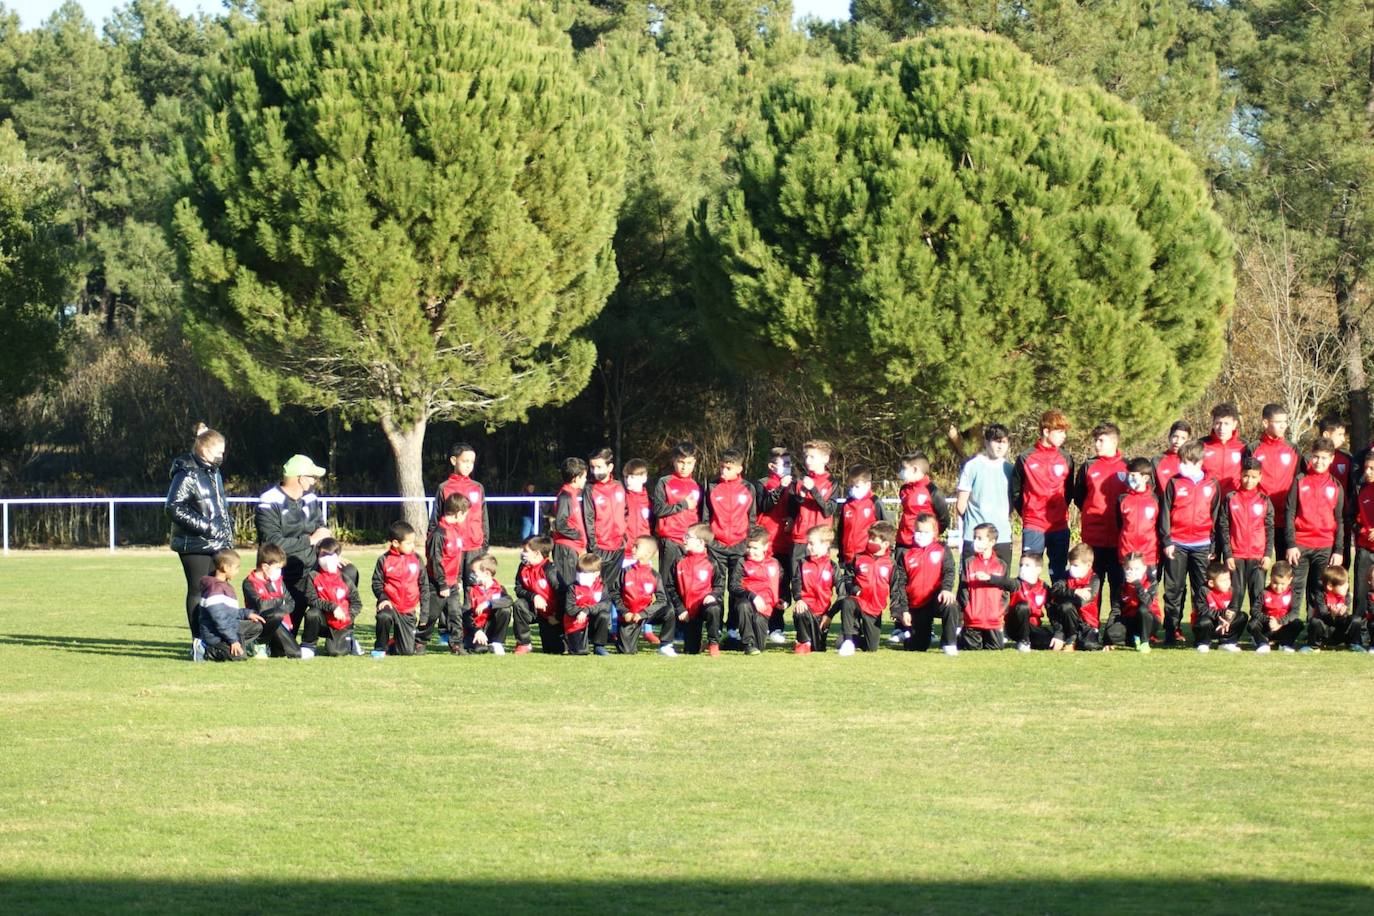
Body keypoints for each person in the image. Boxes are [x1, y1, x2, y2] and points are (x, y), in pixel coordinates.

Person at [166, 424, 232, 655]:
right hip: (194, 543)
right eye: (218, 451)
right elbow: (174, 507)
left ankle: (216, 637)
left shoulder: (213, 472)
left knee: (219, 589)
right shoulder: (187, 472)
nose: (221, 456)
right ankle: (198, 642)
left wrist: (224, 533)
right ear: (204, 448)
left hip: (216, 542)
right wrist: (206, 527)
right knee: (197, 590)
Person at [255, 454, 330, 630]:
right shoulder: (269, 500)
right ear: (300, 478)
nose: (314, 481)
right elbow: (271, 543)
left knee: (348, 572)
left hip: (310, 569)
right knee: (284, 642)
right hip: (283, 573)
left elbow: (322, 530)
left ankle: (338, 638)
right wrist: (310, 540)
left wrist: (330, 553)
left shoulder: (311, 499)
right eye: (312, 477)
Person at [1160, 440, 1220, 646]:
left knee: (1201, 590)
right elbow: (1165, 513)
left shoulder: (1212, 484)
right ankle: (1171, 632)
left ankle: (1201, 633)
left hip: (1202, 545)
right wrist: (1167, 540)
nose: (1182, 465)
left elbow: (1216, 515)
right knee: (1174, 590)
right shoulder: (1174, 483)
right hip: (1177, 544)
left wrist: (1213, 544)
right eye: (1181, 461)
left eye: (1187, 462)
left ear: (1199, 462)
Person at [1010, 409, 1074, 582]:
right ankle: (1029, 609)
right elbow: (1015, 491)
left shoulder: (1066, 458)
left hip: (1059, 525)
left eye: (1065, 431)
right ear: (1046, 431)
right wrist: (1029, 511)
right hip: (1034, 524)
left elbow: (1068, 492)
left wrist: (1059, 510)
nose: (1064, 436)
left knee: (1059, 574)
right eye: (1060, 431)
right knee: (1028, 573)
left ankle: (1056, 609)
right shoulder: (1025, 458)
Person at [1285, 437, 1344, 621]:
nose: (1319, 462)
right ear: (1311, 456)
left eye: (1324, 458)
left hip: (1325, 545)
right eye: (1316, 457)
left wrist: (1339, 550)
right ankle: (1290, 629)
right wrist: (1291, 544)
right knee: (1295, 588)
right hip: (1301, 545)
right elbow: (1290, 512)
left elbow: (1340, 519)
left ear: (1332, 459)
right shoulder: (1299, 481)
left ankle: (1314, 630)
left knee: (1319, 589)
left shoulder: (1336, 486)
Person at [1073, 422, 1127, 609]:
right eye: (1095, 440)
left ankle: (1116, 628)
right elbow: (1079, 498)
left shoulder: (1127, 468)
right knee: (1093, 585)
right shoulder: (1088, 466)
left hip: (1119, 539)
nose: (1097, 444)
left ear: (1114, 441)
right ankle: (1091, 627)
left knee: (1118, 586)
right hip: (1093, 538)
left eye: (1101, 440)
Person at [703, 448, 756, 641]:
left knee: (735, 588)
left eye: (728, 467)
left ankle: (733, 628)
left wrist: (747, 542)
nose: (723, 471)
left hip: (739, 545)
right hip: (716, 546)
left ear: (739, 468)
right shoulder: (711, 486)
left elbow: (752, 518)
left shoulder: (749, 488)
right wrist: (709, 541)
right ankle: (715, 628)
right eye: (722, 467)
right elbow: (706, 517)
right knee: (716, 586)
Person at [1217, 457, 1273, 625]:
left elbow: (1270, 529)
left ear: (1260, 477)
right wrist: (1228, 554)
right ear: (1240, 475)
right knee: (1236, 595)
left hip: (1258, 557)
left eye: (1254, 477)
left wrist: (1268, 554)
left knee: (1258, 596)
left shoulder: (1264, 500)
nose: (1249, 480)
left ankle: (1259, 634)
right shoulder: (1230, 498)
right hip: (1236, 556)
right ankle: (1230, 635)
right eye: (1246, 476)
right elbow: (1224, 527)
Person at [893, 512, 957, 652]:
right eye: (918, 531)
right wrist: (903, 610)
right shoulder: (905, 553)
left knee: (951, 605)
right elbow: (900, 584)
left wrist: (946, 589)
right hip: (917, 605)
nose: (921, 535)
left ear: (934, 532)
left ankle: (949, 643)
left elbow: (949, 572)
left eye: (926, 532)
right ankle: (910, 636)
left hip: (936, 599)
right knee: (918, 646)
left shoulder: (942, 549)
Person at [955, 424, 1013, 571]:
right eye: (996, 441)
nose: (1000, 446)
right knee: (968, 583)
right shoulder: (972, 466)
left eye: (1004, 442)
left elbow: (1012, 504)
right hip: (974, 536)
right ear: (986, 442)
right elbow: (961, 504)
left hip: (1002, 536)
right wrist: (974, 526)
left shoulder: (1011, 469)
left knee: (1001, 585)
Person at [429, 442, 489, 584]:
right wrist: (432, 547)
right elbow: (435, 520)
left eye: (472, 462)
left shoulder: (477, 487)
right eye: (465, 461)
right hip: (451, 547)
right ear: (454, 461)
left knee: (474, 588)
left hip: (474, 546)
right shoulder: (444, 488)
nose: (469, 465)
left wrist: (484, 545)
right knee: (451, 590)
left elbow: (484, 518)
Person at [836, 521, 897, 656]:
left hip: (875, 607)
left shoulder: (891, 563)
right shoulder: (859, 557)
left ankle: (856, 640)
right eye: (869, 538)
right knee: (848, 603)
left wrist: (896, 609)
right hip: (859, 600)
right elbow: (847, 578)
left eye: (873, 539)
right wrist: (855, 589)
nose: (869, 541)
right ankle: (847, 640)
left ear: (886, 544)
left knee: (872, 648)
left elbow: (896, 587)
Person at [372, 521, 431, 657]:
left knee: (406, 652)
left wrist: (424, 614)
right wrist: (383, 599)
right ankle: (380, 647)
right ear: (395, 543)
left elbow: (424, 587)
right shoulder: (384, 560)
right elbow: (376, 583)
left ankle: (393, 644)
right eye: (409, 543)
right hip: (390, 605)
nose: (413, 546)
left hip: (408, 610)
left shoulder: (417, 560)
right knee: (384, 616)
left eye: (413, 543)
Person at [955, 523, 1017, 652]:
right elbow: (963, 590)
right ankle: (961, 636)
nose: (975, 541)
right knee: (971, 649)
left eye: (980, 538)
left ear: (991, 542)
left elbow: (1005, 592)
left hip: (993, 620)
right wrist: (968, 610)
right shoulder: (969, 562)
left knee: (995, 649)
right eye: (974, 538)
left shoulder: (1001, 565)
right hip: (973, 619)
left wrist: (999, 612)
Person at [754, 447, 795, 644]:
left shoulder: (793, 485)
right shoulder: (762, 484)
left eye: (789, 463)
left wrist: (792, 518)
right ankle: (760, 625)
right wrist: (780, 488)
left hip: (785, 543)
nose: (788, 467)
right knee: (764, 585)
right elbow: (765, 505)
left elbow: (796, 509)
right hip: (766, 544)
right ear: (771, 465)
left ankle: (777, 627)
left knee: (782, 586)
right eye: (784, 463)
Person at [196, 549, 265, 662]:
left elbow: (229, 612)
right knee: (239, 657)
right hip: (216, 637)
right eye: (236, 567)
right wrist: (233, 640)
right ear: (225, 567)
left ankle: (238, 646)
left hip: (227, 630)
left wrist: (247, 614)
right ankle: (206, 650)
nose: (238, 571)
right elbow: (220, 620)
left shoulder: (224, 585)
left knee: (257, 626)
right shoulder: (215, 589)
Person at [1249, 404, 1299, 555]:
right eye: (1278, 422)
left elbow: (1298, 480)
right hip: (1261, 517)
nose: (1283, 425)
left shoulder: (1293, 449)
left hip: (1286, 517)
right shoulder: (1253, 448)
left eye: (1285, 421)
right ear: (1265, 423)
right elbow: (1247, 481)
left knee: (1285, 567)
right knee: (1259, 564)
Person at [667, 523, 724, 656]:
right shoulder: (678, 561)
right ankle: (697, 644)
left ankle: (713, 643)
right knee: (691, 651)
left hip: (704, 606)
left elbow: (719, 585)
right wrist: (680, 608)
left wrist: (713, 595)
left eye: (688, 537)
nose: (683, 539)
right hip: (687, 611)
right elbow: (670, 587)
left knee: (714, 609)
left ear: (700, 542)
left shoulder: (712, 562)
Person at [614, 535, 677, 656]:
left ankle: (665, 645)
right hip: (629, 617)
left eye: (636, 547)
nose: (632, 549)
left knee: (669, 610)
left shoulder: (655, 575)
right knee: (626, 652)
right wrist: (624, 612)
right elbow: (614, 593)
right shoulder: (625, 571)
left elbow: (662, 600)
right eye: (633, 546)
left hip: (645, 614)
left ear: (648, 553)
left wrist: (643, 614)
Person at [425, 492, 472, 651]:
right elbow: (435, 561)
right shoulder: (439, 534)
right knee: (431, 615)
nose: (465, 518)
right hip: (437, 584)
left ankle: (457, 644)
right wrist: (442, 584)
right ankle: (419, 641)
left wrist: (457, 579)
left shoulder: (456, 531)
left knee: (455, 614)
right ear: (459, 513)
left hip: (452, 583)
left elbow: (457, 558)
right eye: (465, 514)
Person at [787, 440, 840, 578]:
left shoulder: (832, 483)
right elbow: (793, 509)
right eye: (806, 456)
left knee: (818, 582)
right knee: (797, 581)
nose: (807, 460)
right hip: (800, 538)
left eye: (812, 457)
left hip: (820, 540)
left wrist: (813, 490)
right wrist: (801, 497)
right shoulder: (800, 482)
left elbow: (828, 510)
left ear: (825, 459)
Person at [729, 527, 783, 656]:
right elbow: (734, 586)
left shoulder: (774, 564)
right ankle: (747, 644)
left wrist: (783, 600)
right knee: (743, 605)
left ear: (765, 547)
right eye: (748, 547)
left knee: (759, 646)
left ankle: (731, 643)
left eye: (755, 548)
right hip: (747, 604)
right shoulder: (742, 562)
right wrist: (752, 596)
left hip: (765, 609)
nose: (750, 551)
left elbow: (782, 585)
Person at [652, 442, 702, 580]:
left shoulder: (697, 486)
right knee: (666, 583)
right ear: (674, 461)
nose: (685, 467)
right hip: (670, 541)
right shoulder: (664, 482)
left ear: (694, 463)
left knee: (686, 583)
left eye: (689, 463)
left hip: (689, 542)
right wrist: (683, 504)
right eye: (681, 462)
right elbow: (658, 509)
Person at [303, 538, 361, 658]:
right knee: (312, 614)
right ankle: (308, 645)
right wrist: (332, 607)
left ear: (338, 556)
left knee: (335, 652)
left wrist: (349, 617)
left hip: (340, 621)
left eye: (331, 554)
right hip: (322, 619)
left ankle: (349, 641)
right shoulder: (313, 576)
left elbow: (356, 602)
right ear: (318, 557)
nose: (327, 558)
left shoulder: (345, 578)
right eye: (323, 555)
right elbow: (311, 600)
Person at [242, 543, 301, 658]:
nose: (280, 572)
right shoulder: (249, 583)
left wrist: (278, 604)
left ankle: (273, 648)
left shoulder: (277, 580)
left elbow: (291, 603)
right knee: (276, 615)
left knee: (286, 653)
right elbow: (261, 606)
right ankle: (258, 644)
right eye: (278, 568)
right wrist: (280, 601)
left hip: (280, 625)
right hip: (260, 626)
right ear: (265, 567)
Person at [790, 525, 839, 654]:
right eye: (808, 543)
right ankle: (803, 641)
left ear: (825, 544)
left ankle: (812, 641)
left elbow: (842, 593)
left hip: (822, 616)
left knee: (818, 650)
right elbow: (796, 583)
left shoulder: (832, 567)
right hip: (806, 611)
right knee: (799, 611)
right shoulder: (802, 564)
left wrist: (830, 614)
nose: (808, 547)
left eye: (811, 544)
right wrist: (799, 599)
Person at [584, 448, 628, 592]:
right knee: (598, 590)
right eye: (592, 467)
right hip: (600, 547)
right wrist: (593, 546)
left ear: (610, 467)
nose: (595, 470)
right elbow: (588, 519)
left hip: (619, 547)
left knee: (616, 590)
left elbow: (626, 512)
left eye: (599, 467)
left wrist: (625, 538)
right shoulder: (590, 489)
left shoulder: (620, 486)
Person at [512, 535, 563, 655]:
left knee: (554, 650)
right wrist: (533, 596)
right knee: (519, 605)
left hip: (552, 616)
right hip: (534, 610)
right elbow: (518, 589)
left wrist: (557, 617)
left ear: (537, 553)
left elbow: (563, 596)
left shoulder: (551, 571)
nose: (522, 553)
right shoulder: (523, 567)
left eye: (525, 551)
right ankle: (523, 643)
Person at [1050, 543, 1102, 651]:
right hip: (1069, 621)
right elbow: (1055, 590)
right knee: (1066, 607)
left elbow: (1082, 602)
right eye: (1071, 565)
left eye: (1076, 565)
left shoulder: (1094, 580)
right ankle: (1071, 638)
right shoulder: (1067, 575)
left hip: (1087, 623)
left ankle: (1079, 638)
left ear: (1088, 565)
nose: (1072, 568)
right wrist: (1075, 591)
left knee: (1089, 646)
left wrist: (1063, 595)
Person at [1116, 457, 1161, 582]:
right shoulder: (1122, 499)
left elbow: (1159, 526)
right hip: (1127, 553)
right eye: (1129, 475)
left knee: (1148, 595)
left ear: (1145, 478)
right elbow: (1120, 524)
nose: (1130, 478)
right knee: (1126, 593)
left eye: (1133, 475)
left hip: (1149, 554)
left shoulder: (1155, 499)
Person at [1103, 553, 1159, 652]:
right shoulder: (1122, 587)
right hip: (1130, 620)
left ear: (1144, 568)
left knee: (1143, 610)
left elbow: (1147, 602)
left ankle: (1144, 641)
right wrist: (1107, 640)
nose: (1132, 572)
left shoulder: (1151, 582)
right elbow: (1115, 611)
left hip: (1149, 620)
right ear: (1124, 569)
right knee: (1112, 634)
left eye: (1136, 569)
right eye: (1129, 569)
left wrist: (1137, 584)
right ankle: (1133, 638)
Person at [895, 451, 950, 550]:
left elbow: (944, 519)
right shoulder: (904, 489)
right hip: (903, 543)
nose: (901, 472)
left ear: (915, 469)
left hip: (924, 546)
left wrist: (928, 535)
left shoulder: (933, 492)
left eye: (904, 468)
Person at [836, 463, 884, 573]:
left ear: (868, 485)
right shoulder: (847, 504)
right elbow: (841, 531)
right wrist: (841, 556)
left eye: (857, 486)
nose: (853, 489)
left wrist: (881, 553)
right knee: (849, 589)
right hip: (849, 558)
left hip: (867, 557)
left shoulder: (875, 502)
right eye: (851, 486)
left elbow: (884, 529)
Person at [563, 552, 612, 656]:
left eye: (585, 573)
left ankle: (599, 646)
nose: (581, 576)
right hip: (575, 623)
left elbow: (606, 605)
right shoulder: (572, 588)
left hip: (592, 622)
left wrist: (587, 610)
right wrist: (581, 612)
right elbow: (569, 609)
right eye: (579, 572)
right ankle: (571, 641)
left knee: (604, 615)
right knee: (580, 652)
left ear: (596, 573)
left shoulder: (602, 586)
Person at [550, 457, 589, 586]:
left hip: (571, 549)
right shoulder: (565, 496)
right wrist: (578, 536)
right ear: (575, 478)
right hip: (566, 550)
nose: (585, 480)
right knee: (567, 588)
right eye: (584, 477)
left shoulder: (571, 494)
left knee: (573, 587)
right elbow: (560, 524)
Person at [1305, 565, 1362, 651]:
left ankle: (1354, 644)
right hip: (1325, 631)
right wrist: (1331, 614)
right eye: (1343, 584)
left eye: (1347, 583)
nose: (1347, 586)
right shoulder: (1320, 594)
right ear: (1330, 586)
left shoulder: (1347, 596)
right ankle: (1313, 646)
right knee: (1315, 622)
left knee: (1356, 619)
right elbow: (1322, 614)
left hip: (1340, 632)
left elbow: (1345, 618)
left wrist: (1342, 615)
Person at [466, 554, 514, 655]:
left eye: (474, 573)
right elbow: (465, 614)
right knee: (480, 650)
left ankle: (497, 643)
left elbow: (508, 600)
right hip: (475, 628)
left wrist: (488, 603)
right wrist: (477, 631)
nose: (471, 575)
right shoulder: (471, 590)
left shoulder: (499, 589)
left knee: (505, 610)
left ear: (487, 573)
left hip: (490, 627)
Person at [1249, 561, 1301, 653]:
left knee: (1297, 623)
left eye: (1282, 584)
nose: (1278, 587)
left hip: (1282, 627)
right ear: (1270, 578)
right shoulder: (1264, 593)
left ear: (1290, 580)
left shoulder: (1293, 594)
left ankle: (1285, 644)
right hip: (1267, 627)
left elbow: (1295, 612)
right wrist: (1268, 620)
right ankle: (1262, 643)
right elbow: (1254, 610)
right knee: (1253, 623)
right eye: (1275, 582)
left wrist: (1280, 622)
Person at [1193, 561, 1245, 653]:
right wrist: (1221, 614)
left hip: (1225, 624)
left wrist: (1229, 619)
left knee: (1242, 616)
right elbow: (1202, 610)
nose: (1227, 583)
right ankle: (1203, 643)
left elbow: (1234, 608)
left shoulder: (1233, 590)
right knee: (1203, 622)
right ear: (1211, 583)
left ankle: (1227, 642)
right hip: (1210, 624)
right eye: (1223, 581)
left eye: (1228, 579)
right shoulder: (1203, 590)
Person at [1004, 553, 1052, 652]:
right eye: (1021, 565)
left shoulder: (1044, 587)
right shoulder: (1016, 584)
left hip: (1032, 626)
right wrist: (990, 578)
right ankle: (1023, 641)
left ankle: (1030, 639)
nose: (1023, 568)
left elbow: (1051, 610)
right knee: (1023, 606)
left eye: (1027, 565)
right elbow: (1002, 582)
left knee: (1048, 641)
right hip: (1014, 626)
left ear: (1038, 569)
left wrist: (1059, 634)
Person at [1349, 454, 1374, 624]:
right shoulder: (1361, 489)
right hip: (1364, 547)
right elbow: (1352, 517)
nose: (1367, 471)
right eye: (1366, 467)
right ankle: (1358, 633)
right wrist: (1363, 530)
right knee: (1361, 591)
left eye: (1372, 468)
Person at [1201, 403, 1245, 496]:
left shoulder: (1244, 446)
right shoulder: (1201, 445)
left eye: (1226, 424)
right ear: (1213, 424)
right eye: (1218, 423)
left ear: (1234, 425)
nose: (1221, 428)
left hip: (1232, 500)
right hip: (1207, 500)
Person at [1153, 421, 1191, 495]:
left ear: (1188, 441)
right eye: (1175, 436)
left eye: (1183, 438)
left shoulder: (1192, 461)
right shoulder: (1157, 460)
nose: (1177, 441)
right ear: (1169, 437)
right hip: (1164, 505)